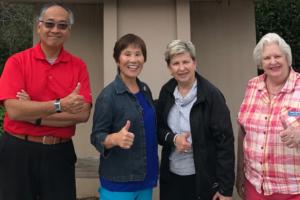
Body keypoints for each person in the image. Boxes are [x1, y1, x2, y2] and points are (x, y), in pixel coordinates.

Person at [0, 3, 92, 200]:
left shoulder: (78, 66)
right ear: (39, 26)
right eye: (49, 24)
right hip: (18, 151)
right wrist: (60, 105)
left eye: (62, 25)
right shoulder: (17, 62)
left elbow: (83, 114)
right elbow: (14, 110)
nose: (55, 30)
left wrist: (33, 114)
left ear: (69, 31)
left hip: (59, 152)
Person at [156, 39, 235, 200]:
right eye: (176, 63)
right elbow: (158, 130)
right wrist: (173, 138)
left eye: (186, 61)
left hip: (204, 181)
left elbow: (225, 144)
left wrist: (225, 189)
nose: (182, 67)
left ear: (194, 63)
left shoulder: (212, 95)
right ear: (169, 68)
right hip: (172, 177)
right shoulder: (167, 91)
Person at [91, 33, 158, 200]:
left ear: (144, 58)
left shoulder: (145, 90)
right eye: (127, 54)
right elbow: (96, 137)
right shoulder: (108, 96)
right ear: (117, 59)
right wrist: (114, 139)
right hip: (119, 182)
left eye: (138, 54)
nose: (133, 60)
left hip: (146, 178)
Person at [237, 32, 300, 200]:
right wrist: (240, 174)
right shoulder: (253, 85)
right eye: (267, 58)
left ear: (287, 58)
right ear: (260, 62)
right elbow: (243, 130)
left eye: (277, 56)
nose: (273, 62)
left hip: (294, 190)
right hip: (256, 186)